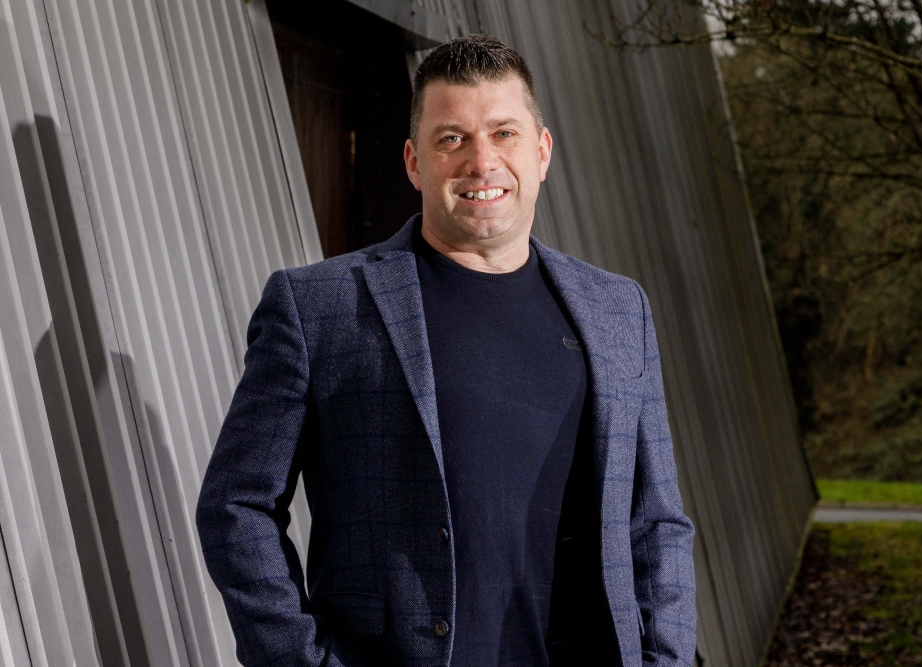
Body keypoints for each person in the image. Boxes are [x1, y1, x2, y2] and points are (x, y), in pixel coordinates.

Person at [196, 34, 696, 667]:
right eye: (451, 138)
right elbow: (235, 504)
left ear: (541, 152)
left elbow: (656, 522)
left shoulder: (619, 310)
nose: (481, 163)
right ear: (413, 161)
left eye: (504, 133)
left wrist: (668, 659)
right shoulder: (319, 307)